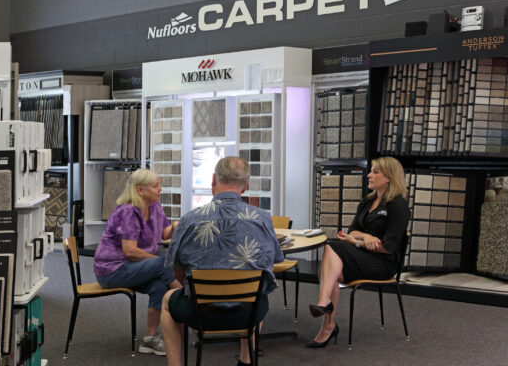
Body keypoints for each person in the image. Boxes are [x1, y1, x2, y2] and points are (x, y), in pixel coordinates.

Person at [161, 156, 284, 366]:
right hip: (249, 313)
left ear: (213, 180)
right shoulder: (262, 218)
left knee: (167, 300)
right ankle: (246, 360)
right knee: (259, 291)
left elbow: (175, 272)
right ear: (246, 186)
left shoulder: (189, 220)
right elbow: (274, 261)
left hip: (200, 313)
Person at [307, 156, 410, 348]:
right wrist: (365, 237)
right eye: (370, 170)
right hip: (362, 256)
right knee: (333, 265)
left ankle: (325, 309)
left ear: (389, 177)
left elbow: (387, 246)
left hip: (383, 263)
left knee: (332, 250)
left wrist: (357, 243)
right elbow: (351, 231)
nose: (369, 175)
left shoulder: (399, 206)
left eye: (375, 172)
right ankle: (327, 324)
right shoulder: (367, 201)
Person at [94, 169, 182, 356]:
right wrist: (160, 263)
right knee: (162, 263)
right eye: (155, 186)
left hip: (134, 267)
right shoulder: (127, 212)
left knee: (159, 286)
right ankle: (184, 296)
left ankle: (149, 339)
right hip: (112, 270)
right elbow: (130, 251)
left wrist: (176, 227)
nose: (160, 189)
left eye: (159, 185)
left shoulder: (155, 207)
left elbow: (166, 234)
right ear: (140, 190)